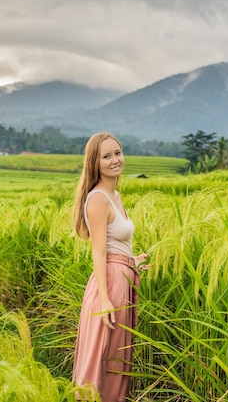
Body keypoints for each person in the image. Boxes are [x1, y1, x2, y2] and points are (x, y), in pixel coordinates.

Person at [72, 132, 149, 402]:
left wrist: (133, 261)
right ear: (95, 163)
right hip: (110, 288)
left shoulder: (114, 194)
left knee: (118, 359)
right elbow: (98, 253)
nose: (115, 160)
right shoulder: (98, 199)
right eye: (106, 156)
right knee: (105, 358)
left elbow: (116, 246)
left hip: (121, 278)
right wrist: (105, 300)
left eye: (117, 153)